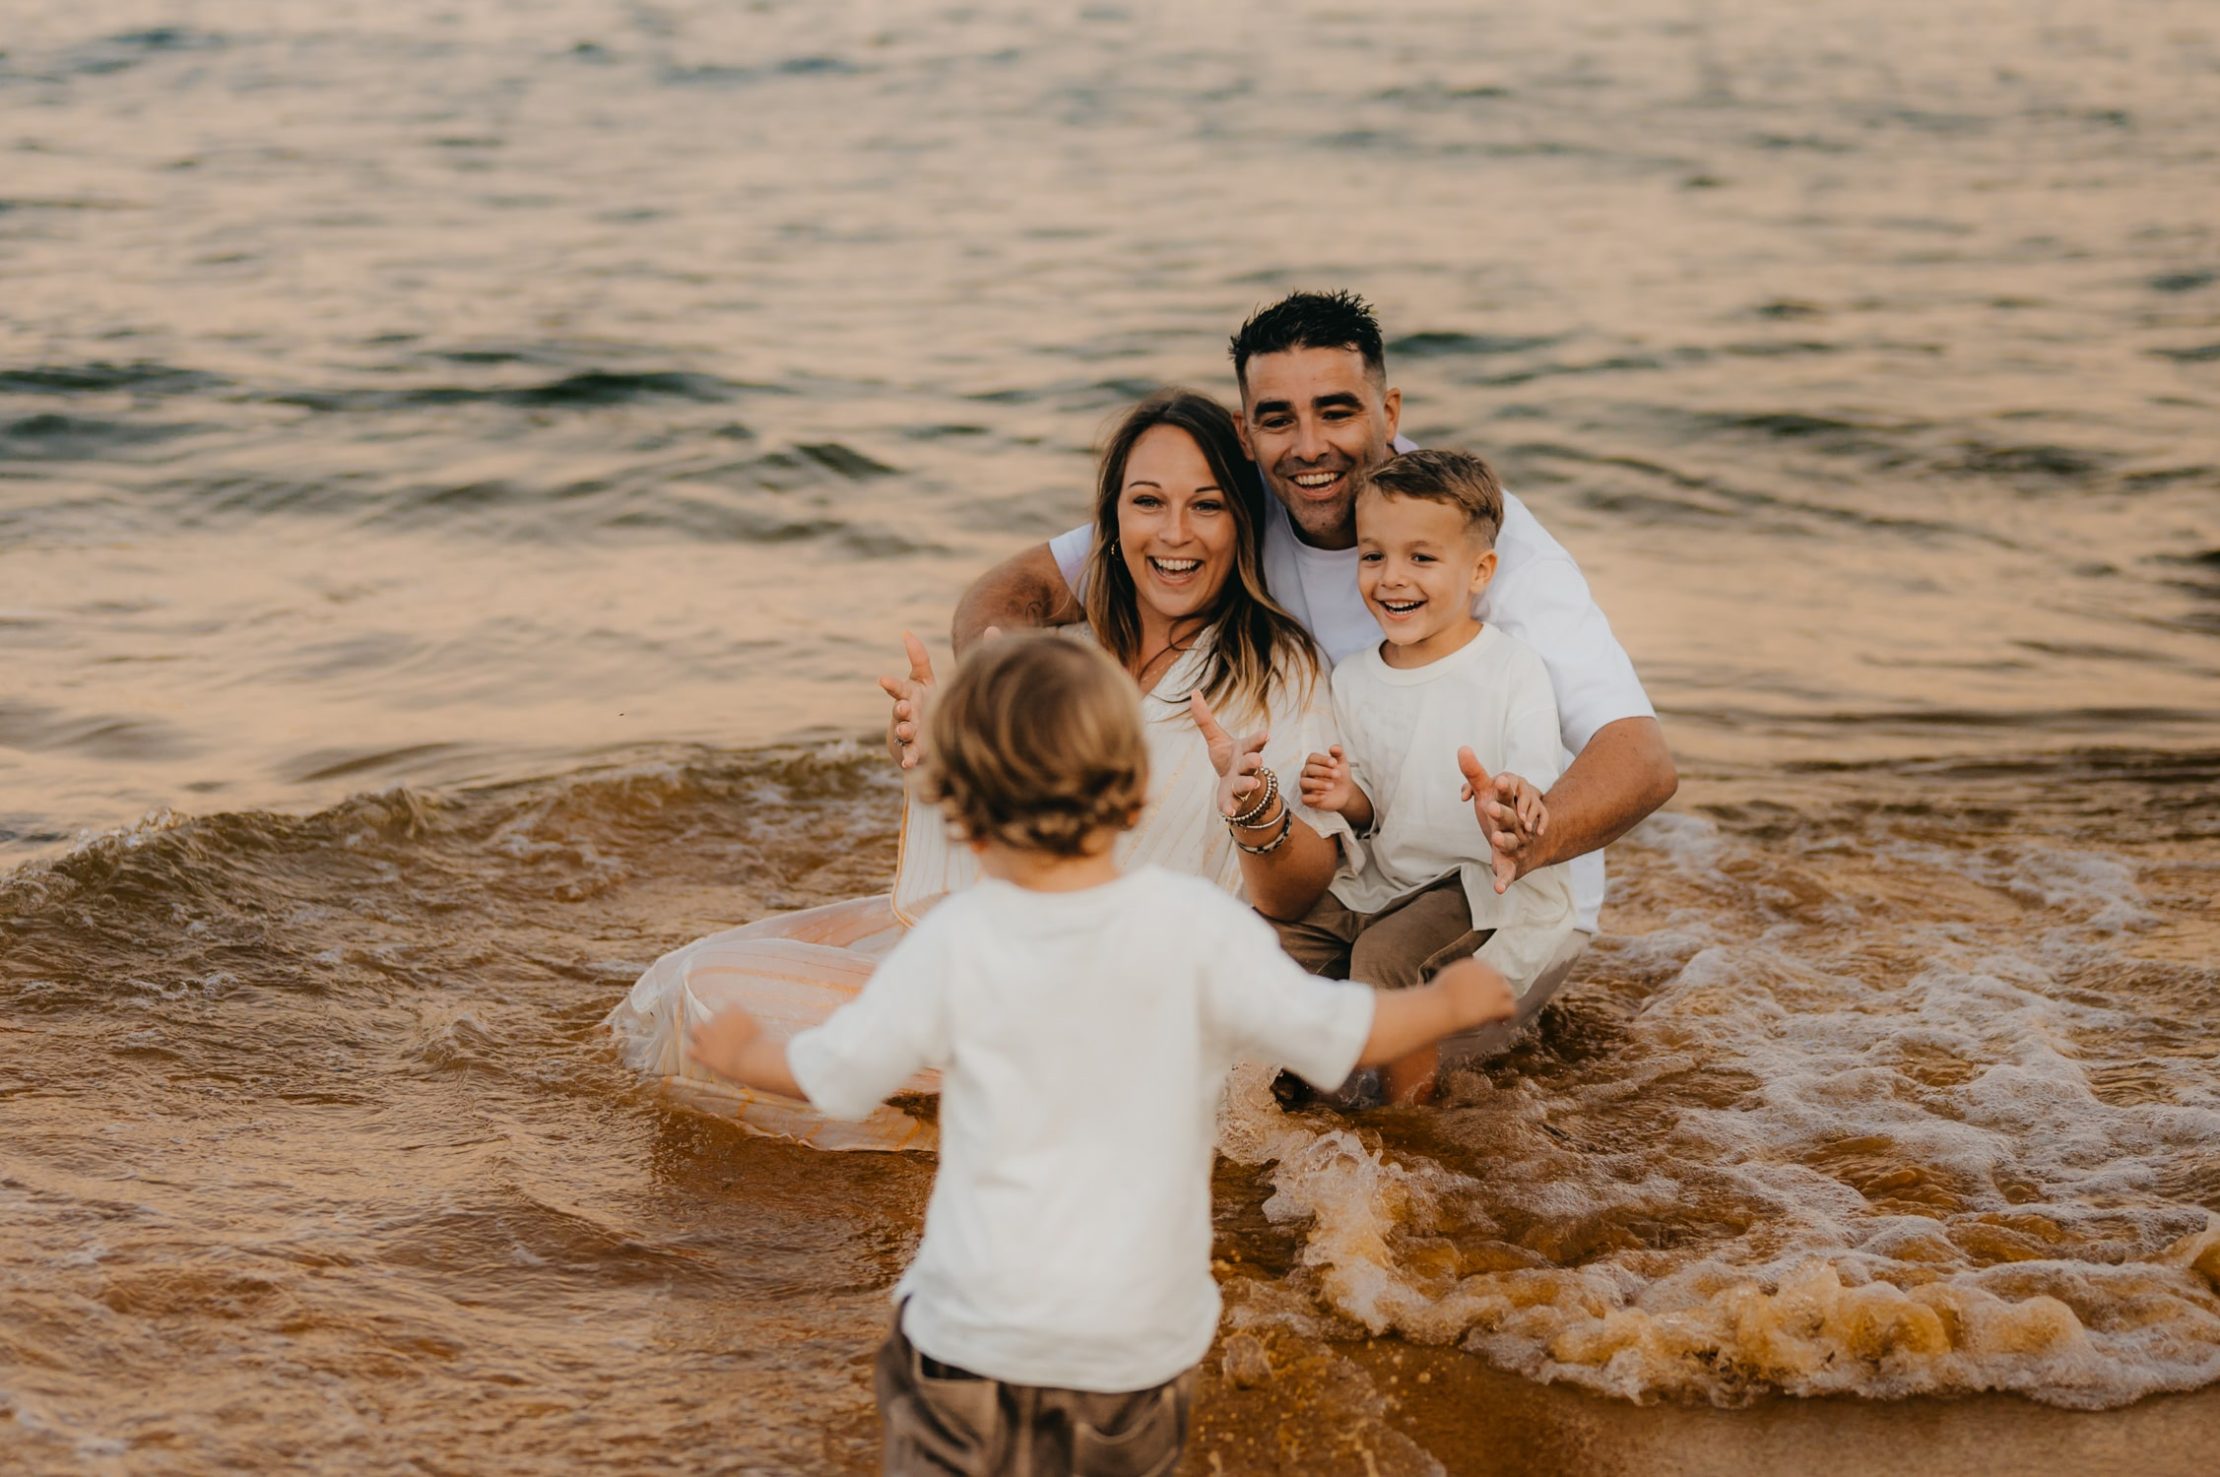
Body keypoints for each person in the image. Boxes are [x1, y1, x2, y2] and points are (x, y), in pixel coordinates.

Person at [687, 636, 1519, 1474]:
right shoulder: (1195, 927)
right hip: (1131, 1353)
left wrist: (748, 1054)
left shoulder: (959, 939)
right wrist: (1440, 1003)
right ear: (1132, 801)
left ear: (966, 816)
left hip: (968, 1336)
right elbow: (1334, 1030)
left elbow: (840, 1075)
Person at [610, 390, 1354, 1147]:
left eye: (1207, 506)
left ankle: (952, 1134)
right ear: (1111, 518)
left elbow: (1300, 888)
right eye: (1147, 502)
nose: (1174, 533)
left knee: (705, 996)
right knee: (678, 971)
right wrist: (934, 748)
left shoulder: (1277, 670)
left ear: (1242, 522)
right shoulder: (1080, 654)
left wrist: (1253, 806)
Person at [935, 290, 1676, 1023]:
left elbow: (1641, 757)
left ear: (1389, 413)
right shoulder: (1232, 503)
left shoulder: (1480, 538)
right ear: (1245, 432)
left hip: (1492, 889)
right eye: (1278, 419)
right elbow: (1018, 588)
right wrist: (993, 694)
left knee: (1352, 1077)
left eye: (1337, 410)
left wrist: (1532, 832)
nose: (1309, 445)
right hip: (1346, 878)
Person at [1284, 449, 1578, 1105]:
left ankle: (1393, 1110)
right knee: (1278, 933)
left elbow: (1531, 773)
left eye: (1421, 558)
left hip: (1470, 879)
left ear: (1479, 570)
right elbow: (1372, 812)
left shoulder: (1509, 668)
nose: (1391, 578)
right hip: (1384, 877)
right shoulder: (1356, 677)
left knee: (1383, 960)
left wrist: (1511, 800)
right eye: (1372, 555)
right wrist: (1347, 798)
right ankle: (1287, 1074)